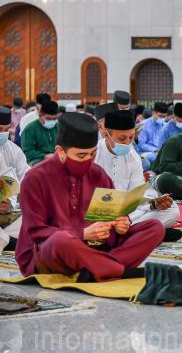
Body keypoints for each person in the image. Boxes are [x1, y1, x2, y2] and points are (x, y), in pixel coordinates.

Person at [15, 113, 164, 282]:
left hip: (96, 248)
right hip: (51, 252)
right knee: (61, 240)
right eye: (81, 156)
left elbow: (108, 219)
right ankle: (117, 270)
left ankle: (94, 269)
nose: (88, 160)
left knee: (155, 228)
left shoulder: (98, 174)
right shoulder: (35, 178)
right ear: (60, 152)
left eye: (92, 154)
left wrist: (119, 225)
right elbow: (37, 232)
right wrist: (83, 234)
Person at [95, 110, 180, 240]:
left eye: (131, 138)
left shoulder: (133, 156)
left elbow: (137, 192)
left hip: (126, 214)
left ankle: (127, 233)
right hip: (98, 212)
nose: (127, 143)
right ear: (105, 134)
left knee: (172, 210)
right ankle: (143, 233)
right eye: (122, 139)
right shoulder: (94, 154)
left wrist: (153, 204)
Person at [0, 107, 30, 252]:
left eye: (6, 129)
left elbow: (26, 179)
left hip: (7, 213)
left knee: (27, 221)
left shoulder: (13, 150)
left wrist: (9, 203)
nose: (3, 134)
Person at [21, 100, 59, 166]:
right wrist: (45, 156)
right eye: (49, 119)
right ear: (40, 115)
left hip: (57, 159)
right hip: (37, 160)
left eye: (54, 118)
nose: (52, 121)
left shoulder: (58, 127)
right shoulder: (30, 129)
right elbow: (27, 152)